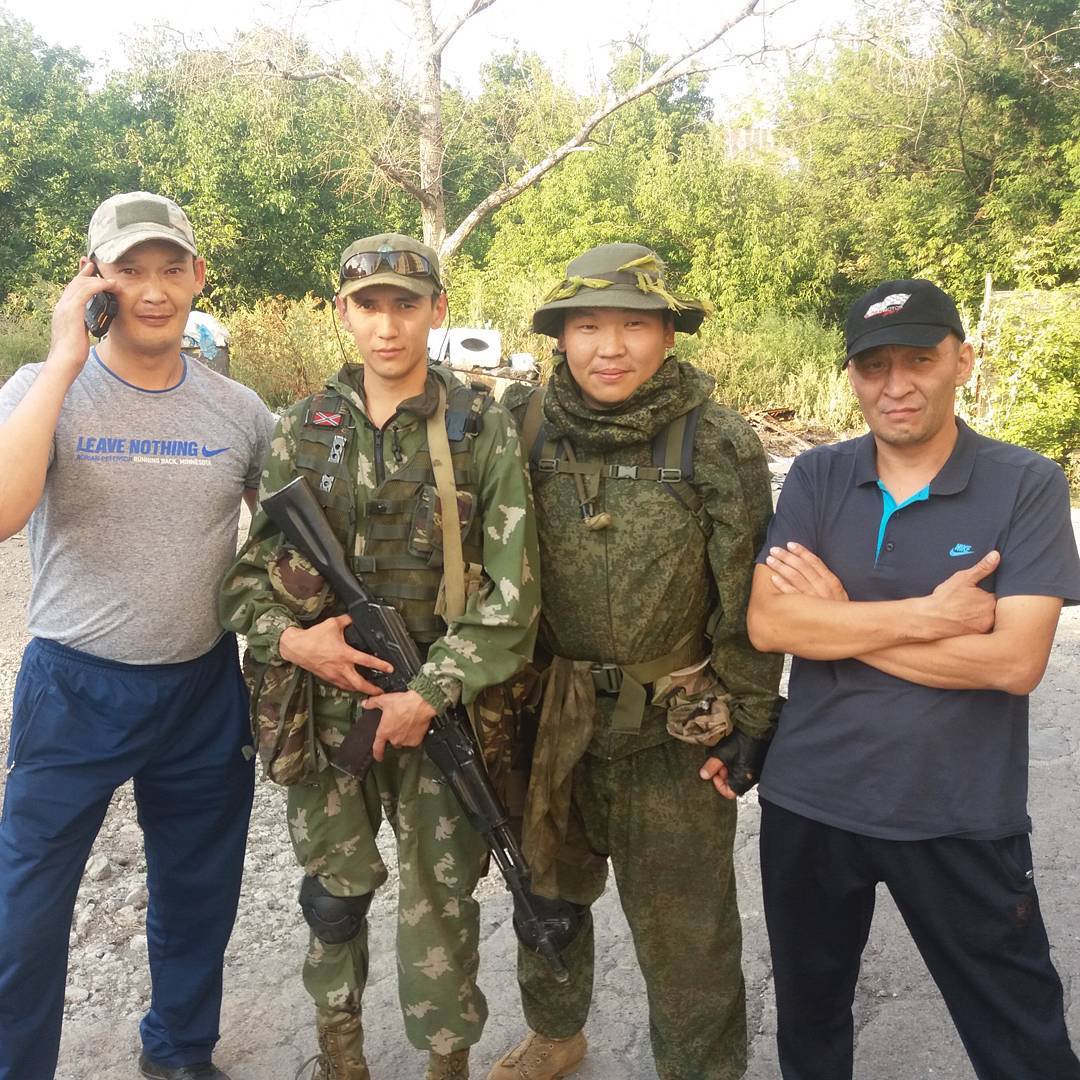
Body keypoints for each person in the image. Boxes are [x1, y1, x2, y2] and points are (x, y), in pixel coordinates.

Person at [218, 233, 539, 1080]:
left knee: (442, 900)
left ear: (437, 311)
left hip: (440, 706)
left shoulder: (482, 428)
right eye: (369, 305)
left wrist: (427, 692)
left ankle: (445, 1066)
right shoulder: (303, 429)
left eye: (407, 304)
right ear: (343, 314)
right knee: (335, 896)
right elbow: (245, 586)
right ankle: (342, 1058)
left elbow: (513, 602)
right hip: (326, 714)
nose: (388, 326)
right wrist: (296, 643)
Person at [746, 279, 1080, 1080]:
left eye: (919, 361)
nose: (896, 385)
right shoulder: (818, 477)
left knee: (1022, 1038)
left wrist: (840, 623)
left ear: (961, 362)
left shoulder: (1026, 483)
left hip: (957, 809)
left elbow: (1012, 662)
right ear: (852, 377)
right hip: (810, 802)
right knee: (812, 1021)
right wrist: (928, 618)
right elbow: (771, 626)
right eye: (874, 366)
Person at [488, 243, 783, 1080]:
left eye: (632, 326)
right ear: (559, 336)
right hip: (554, 723)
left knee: (689, 934)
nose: (608, 347)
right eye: (587, 326)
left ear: (667, 337)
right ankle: (556, 1034)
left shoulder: (716, 441)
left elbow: (748, 597)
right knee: (545, 899)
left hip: (672, 736)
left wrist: (753, 721)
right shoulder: (524, 425)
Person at [0, 192, 275, 1080]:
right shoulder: (44, 390)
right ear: (93, 279)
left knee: (197, 893)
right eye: (127, 269)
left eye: (168, 268)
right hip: (74, 687)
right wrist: (60, 358)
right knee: (24, 910)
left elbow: (283, 553)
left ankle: (180, 1052)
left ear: (197, 276)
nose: (151, 290)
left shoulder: (239, 412)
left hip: (201, 687)